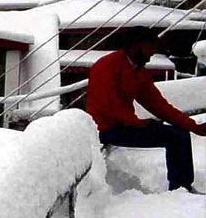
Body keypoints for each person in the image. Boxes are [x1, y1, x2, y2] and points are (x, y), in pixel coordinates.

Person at [85, 30, 206, 191]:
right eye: (150, 47)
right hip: (105, 129)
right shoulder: (106, 66)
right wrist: (139, 123)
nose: (152, 53)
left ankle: (182, 186)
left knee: (180, 133)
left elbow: (159, 106)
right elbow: (107, 106)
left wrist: (193, 126)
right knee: (175, 137)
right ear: (134, 46)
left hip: (126, 125)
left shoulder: (138, 70)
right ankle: (181, 187)